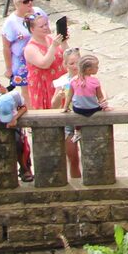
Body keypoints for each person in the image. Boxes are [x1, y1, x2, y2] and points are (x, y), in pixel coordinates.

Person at [1, 0, 47, 86]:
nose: (30, 3)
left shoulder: (39, 12)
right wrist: (9, 68)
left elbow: (47, 30)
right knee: (27, 89)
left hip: (41, 54)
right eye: (25, 1)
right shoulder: (10, 23)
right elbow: (6, 47)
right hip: (22, 60)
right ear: (16, 4)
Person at [22, 11, 65, 112]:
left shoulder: (50, 39)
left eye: (46, 24)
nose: (45, 28)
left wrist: (64, 42)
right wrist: (54, 46)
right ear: (32, 29)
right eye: (41, 26)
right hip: (44, 85)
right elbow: (44, 64)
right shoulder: (30, 48)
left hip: (58, 82)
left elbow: (65, 55)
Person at [54, 48, 82, 180]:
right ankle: (76, 182)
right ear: (65, 65)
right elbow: (53, 105)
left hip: (84, 119)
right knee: (73, 157)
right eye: (71, 63)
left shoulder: (89, 79)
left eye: (77, 62)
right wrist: (59, 97)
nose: (75, 66)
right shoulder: (62, 81)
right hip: (68, 120)